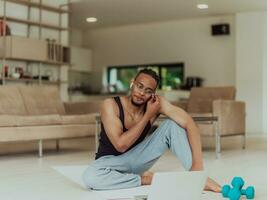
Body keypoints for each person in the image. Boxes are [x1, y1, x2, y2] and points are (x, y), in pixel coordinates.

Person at [83, 69, 221, 192]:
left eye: (148, 91)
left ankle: (197, 178)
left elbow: (190, 123)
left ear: (153, 94)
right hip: (109, 164)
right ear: (132, 83)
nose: (142, 93)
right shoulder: (110, 105)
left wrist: (197, 168)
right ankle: (145, 179)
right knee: (90, 177)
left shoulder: (156, 103)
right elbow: (121, 145)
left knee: (172, 125)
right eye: (139, 86)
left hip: (137, 159)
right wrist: (148, 115)